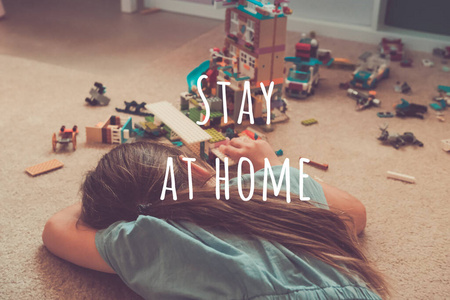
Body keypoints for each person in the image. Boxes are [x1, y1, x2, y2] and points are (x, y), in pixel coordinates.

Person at [42, 138, 388, 299]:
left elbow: (57, 228)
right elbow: (354, 213)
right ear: (194, 166)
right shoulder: (269, 188)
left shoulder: (143, 238)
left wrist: (109, 200)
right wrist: (273, 165)